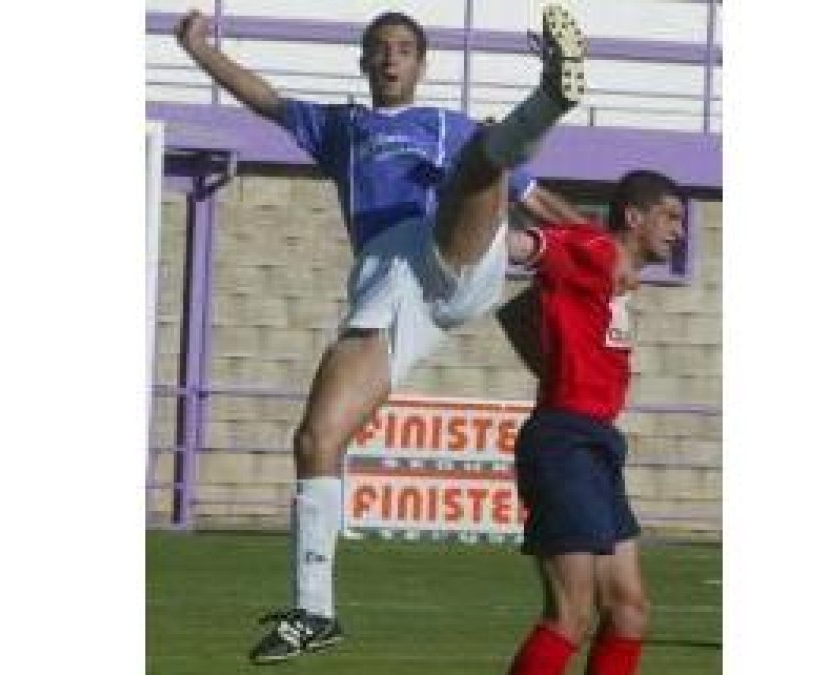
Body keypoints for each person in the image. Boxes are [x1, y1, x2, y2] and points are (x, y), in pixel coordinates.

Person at [174, 4, 589, 664]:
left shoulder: (445, 125)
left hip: (450, 254)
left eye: (404, 48)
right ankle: (314, 611)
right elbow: (267, 100)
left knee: (483, 157)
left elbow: (543, 201)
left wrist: (604, 255)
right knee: (316, 439)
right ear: (365, 61)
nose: (392, 56)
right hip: (389, 288)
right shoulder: (342, 127)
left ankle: (552, 95)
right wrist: (199, 48)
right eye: (381, 47)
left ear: (422, 66)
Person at [501, 170, 685, 675]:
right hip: (565, 442)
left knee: (629, 613)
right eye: (669, 217)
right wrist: (471, 235)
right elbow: (526, 247)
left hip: (598, 442)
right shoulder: (596, 254)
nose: (679, 231)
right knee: (571, 617)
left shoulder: (613, 269)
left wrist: (559, 364)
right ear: (633, 217)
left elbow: (516, 315)